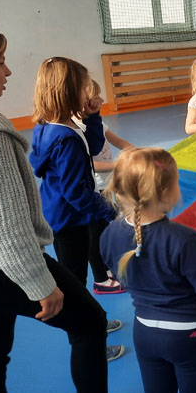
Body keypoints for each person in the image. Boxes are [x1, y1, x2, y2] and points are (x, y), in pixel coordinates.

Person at [0, 23, 135, 393]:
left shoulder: (25, 128)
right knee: (89, 322)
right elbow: (3, 224)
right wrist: (37, 282)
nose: (8, 71)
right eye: (0, 62)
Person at [100, 148, 196, 393]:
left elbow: (125, 273)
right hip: (191, 338)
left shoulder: (110, 234)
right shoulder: (185, 239)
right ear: (167, 191)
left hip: (145, 332)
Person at [28, 57, 124, 362]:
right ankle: (88, 341)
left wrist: (93, 117)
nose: (89, 93)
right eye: (84, 88)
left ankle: (93, 322)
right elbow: (76, 193)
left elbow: (92, 149)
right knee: (74, 283)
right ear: (68, 91)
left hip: (64, 216)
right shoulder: (65, 138)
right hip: (69, 222)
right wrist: (109, 211)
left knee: (75, 283)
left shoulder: (52, 126)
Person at [75, 79, 135, 295]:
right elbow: (89, 164)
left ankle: (107, 269)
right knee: (95, 234)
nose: (100, 101)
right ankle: (100, 279)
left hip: (107, 186)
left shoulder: (97, 124)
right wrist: (117, 164)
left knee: (105, 230)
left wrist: (135, 152)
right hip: (95, 188)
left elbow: (119, 142)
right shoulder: (77, 130)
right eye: (95, 97)